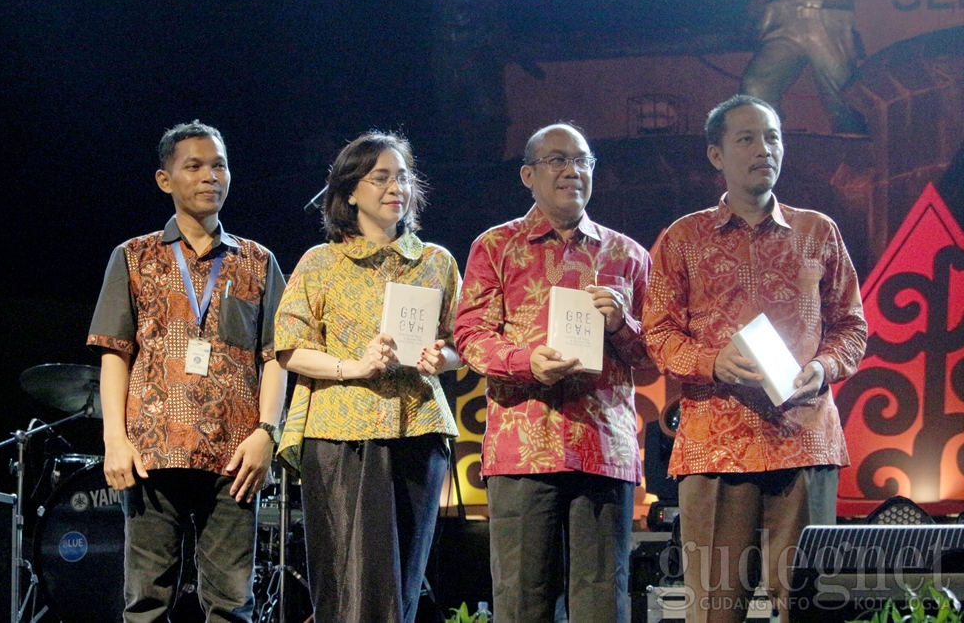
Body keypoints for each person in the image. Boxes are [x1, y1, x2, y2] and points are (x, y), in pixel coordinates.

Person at [643, 95, 867, 623]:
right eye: (746, 138)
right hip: (716, 446)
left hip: (804, 438)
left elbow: (851, 327)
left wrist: (824, 367)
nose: (764, 149)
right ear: (716, 155)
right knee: (717, 610)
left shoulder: (818, 231)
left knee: (807, 605)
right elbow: (657, 333)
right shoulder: (683, 238)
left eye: (772, 137)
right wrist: (712, 363)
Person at [87, 121, 287, 623]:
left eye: (218, 165)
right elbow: (115, 352)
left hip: (234, 456)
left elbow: (277, 356)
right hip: (152, 450)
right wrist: (115, 438)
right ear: (165, 179)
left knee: (231, 605)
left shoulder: (258, 261)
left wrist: (267, 431)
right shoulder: (133, 257)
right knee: (146, 603)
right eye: (194, 166)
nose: (209, 176)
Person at [454, 123, 652, 623]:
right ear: (528, 174)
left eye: (583, 161)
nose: (573, 171)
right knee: (522, 600)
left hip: (602, 445)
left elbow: (656, 352)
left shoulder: (627, 255)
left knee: (601, 600)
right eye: (558, 160)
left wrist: (621, 324)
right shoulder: (495, 247)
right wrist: (527, 363)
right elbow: (471, 335)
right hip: (523, 446)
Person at [274, 132, 461, 623]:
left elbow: (465, 341)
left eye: (402, 177)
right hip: (339, 434)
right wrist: (353, 366)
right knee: (344, 578)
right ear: (350, 191)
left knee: (401, 581)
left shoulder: (436, 262)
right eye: (380, 177)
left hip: (416, 426)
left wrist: (445, 359)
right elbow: (289, 347)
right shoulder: (321, 263)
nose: (394, 187)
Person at [740, 0, 884, 134]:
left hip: (828, 20)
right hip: (786, 18)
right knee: (756, 85)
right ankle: (764, 147)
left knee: (842, 96)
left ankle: (856, 151)